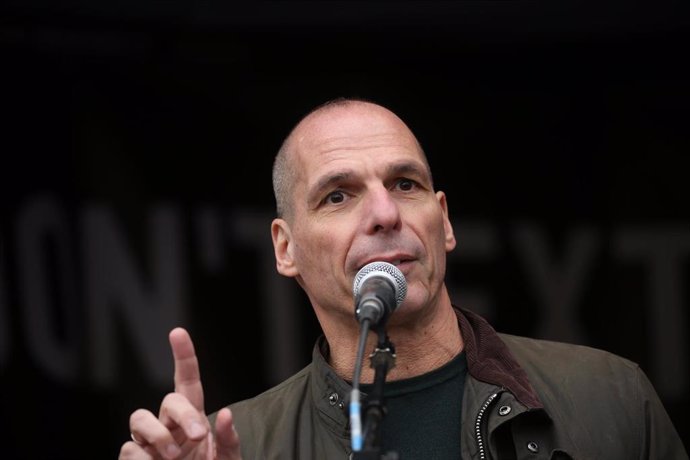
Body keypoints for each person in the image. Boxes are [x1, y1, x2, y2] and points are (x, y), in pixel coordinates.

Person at [119, 98, 688, 459]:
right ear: (285, 247)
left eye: (405, 185)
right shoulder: (237, 446)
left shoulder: (610, 397)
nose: (385, 214)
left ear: (443, 221)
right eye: (338, 196)